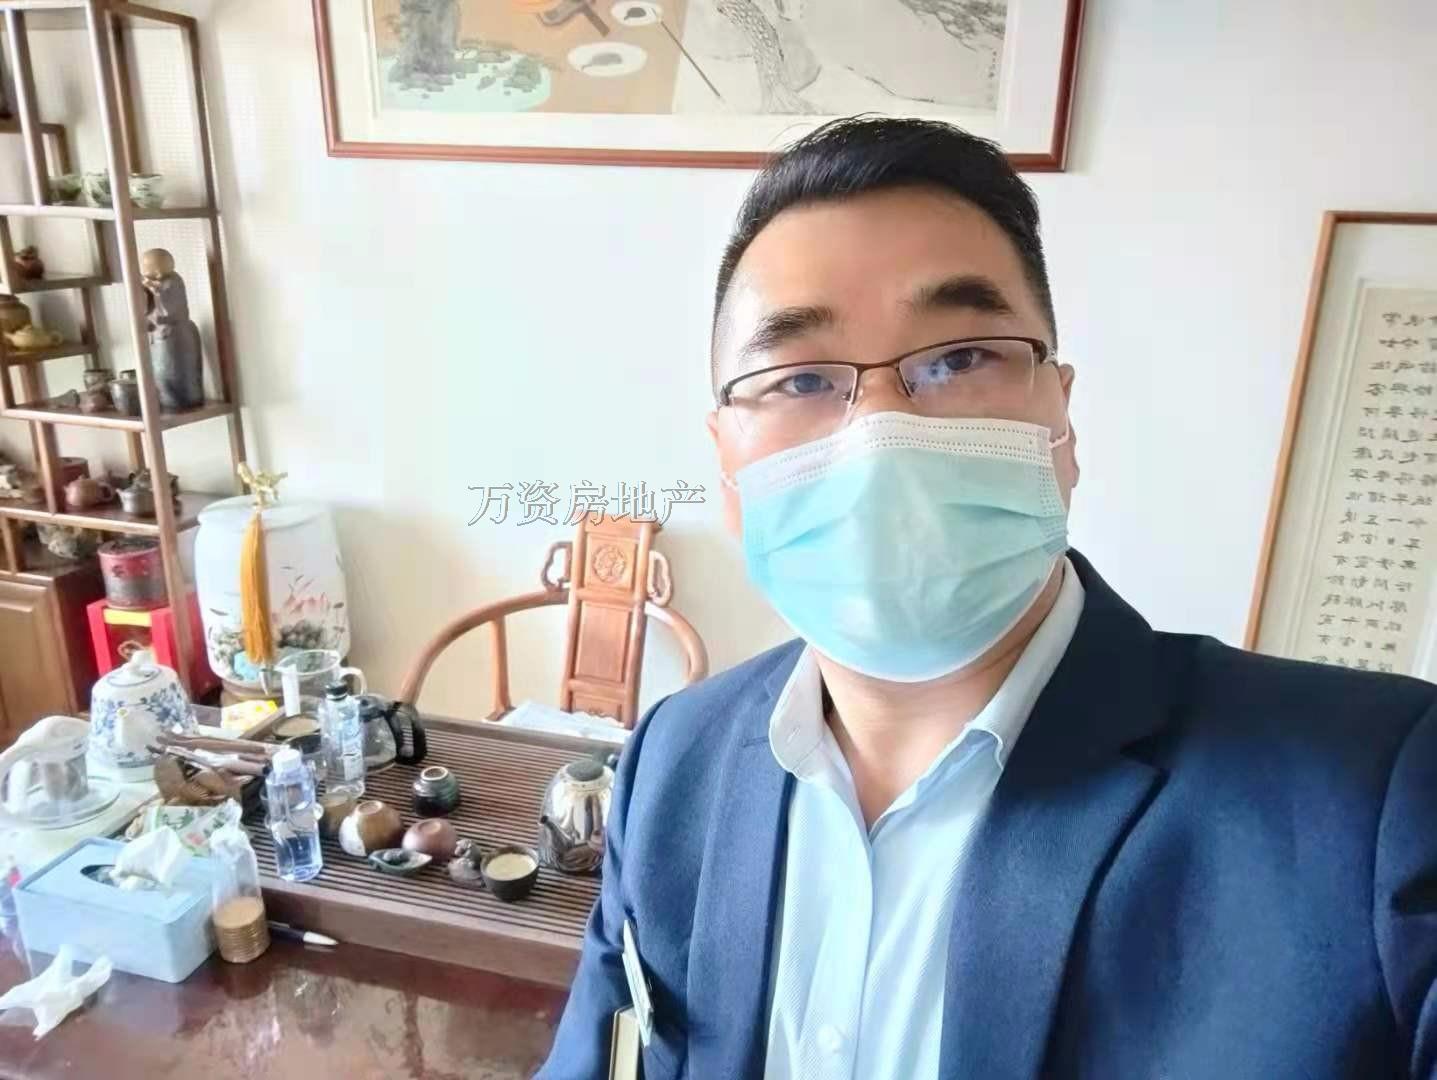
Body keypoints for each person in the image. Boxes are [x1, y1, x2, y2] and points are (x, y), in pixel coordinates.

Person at [537, 117, 1437, 1079]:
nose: (880, 432)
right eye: (800, 378)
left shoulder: (1375, 799)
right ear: (726, 463)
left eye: (959, 358)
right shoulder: (672, 760)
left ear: (1060, 416)